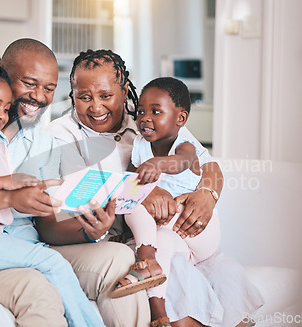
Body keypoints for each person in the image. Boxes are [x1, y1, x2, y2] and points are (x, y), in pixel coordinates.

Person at [0, 38, 149, 327]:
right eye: (30, 83)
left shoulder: (40, 138)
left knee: (118, 258)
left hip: (26, 249)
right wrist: (8, 197)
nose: (39, 97)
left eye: (49, 89)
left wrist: (91, 229)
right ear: (3, 76)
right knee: (35, 284)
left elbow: (46, 226)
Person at [46, 49, 264, 327]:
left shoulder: (145, 121)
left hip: (169, 227)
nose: (96, 107)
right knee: (172, 264)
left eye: (106, 96)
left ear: (124, 91)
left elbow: (206, 164)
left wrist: (207, 194)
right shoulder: (59, 136)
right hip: (120, 236)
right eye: (84, 97)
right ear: (72, 94)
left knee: (221, 269)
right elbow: (55, 214)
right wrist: (143, 190)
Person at [110, 77, 222, 326]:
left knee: (138, 203)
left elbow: (180, 163)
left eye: (155, 111)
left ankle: (145, 260)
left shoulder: (185, 145)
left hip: (196, 228)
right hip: (172, 237)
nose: (144, 118)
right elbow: (130, 179)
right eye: (140, 111)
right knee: (136, 205)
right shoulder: (140, 144)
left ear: (180, 119)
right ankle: (159, 311)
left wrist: (156, 164)